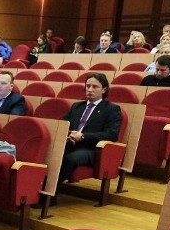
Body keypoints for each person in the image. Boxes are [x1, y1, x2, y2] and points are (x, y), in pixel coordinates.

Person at [38, 73, 121, 208]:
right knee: (49, 152)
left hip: (92, 149)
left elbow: (111, 135)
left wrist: (83, 136)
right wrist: (66, 134)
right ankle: (39, 191)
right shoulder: (77, 106)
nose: (90, 89)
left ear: (104, 89)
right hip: (71, 143)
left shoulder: (111, 109)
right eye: (88, 86)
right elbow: (63, 123)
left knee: (69, 158)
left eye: (95, 87)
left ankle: (48, 196)